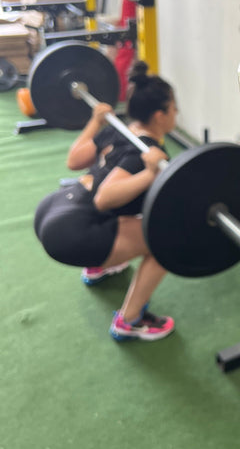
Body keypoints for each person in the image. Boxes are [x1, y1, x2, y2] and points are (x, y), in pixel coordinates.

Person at [34, 61, 178, 342]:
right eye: (174, 108)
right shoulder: (146, 152)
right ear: (160, 115)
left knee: (131, 216)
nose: (177, 112)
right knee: (163, 243)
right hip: (71, 234)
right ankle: (131, 320)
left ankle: (99, 265)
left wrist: (95, 122)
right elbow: (105, 198)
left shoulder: (118, 129)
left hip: (54, 209)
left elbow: (74, 160)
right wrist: (150, 173)